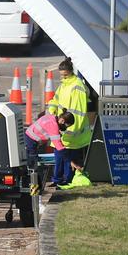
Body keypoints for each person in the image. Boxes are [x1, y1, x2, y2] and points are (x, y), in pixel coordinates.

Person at [45, 58, 91, 188]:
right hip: (62, 126)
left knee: (66, 157)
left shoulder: (77, 86)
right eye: (61, 75)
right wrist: (52, 109)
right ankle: (58, 179)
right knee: (59, 156)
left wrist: (70, 130)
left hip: (71, 130)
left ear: (71, 72)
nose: (63, 77)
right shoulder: (64, 84)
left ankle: (65, 180)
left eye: (65, 74)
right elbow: (56, 99)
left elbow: (78, 112)